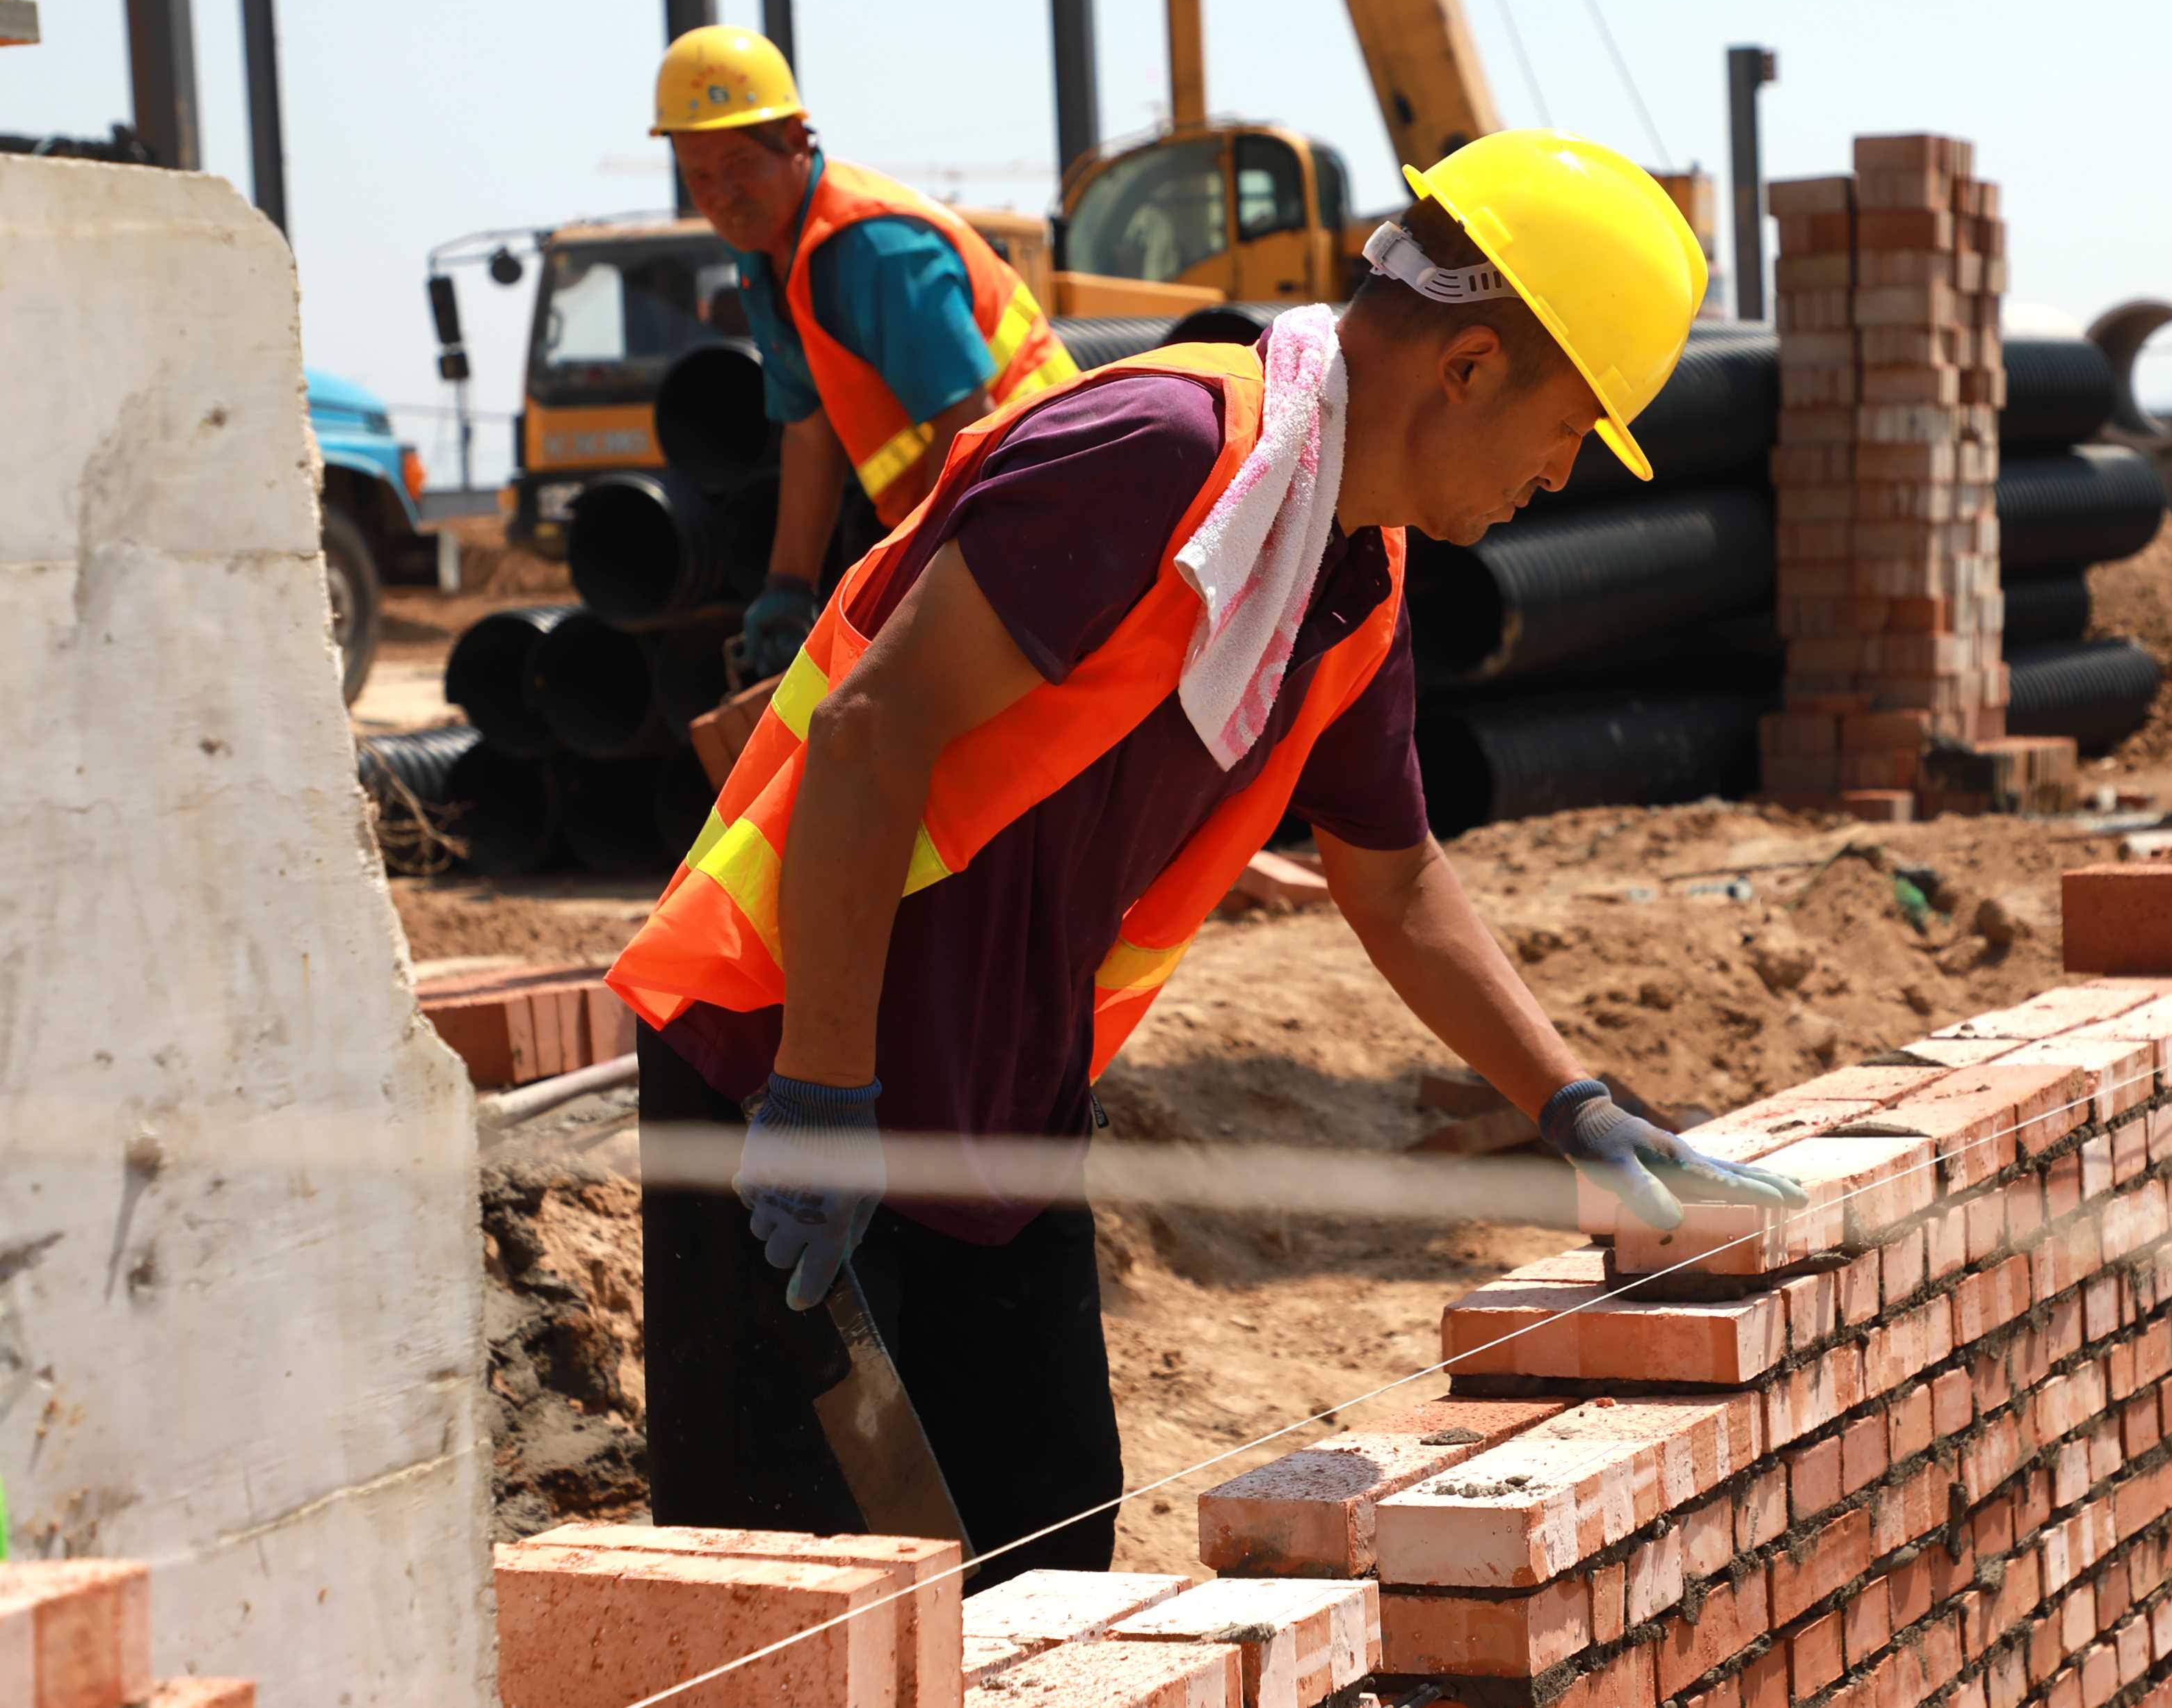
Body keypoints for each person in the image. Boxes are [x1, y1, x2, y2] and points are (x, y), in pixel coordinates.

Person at [606, 127, 1804, 1578]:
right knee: (797, 1590)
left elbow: (1393, 874)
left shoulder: (1350, 577)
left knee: (1042, 1549)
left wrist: (1574, 1105)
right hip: (786, 1066)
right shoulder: (1163, 456)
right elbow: (869, 735)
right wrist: (822, 1089)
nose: (1559, 475)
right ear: (1469, 366)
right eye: (1569, 427)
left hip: (995, 1100)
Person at [647, 24, 1079, 679]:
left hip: (1053, 501)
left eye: (737, 165)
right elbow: (808, 433)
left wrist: (923, 586)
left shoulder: (875, 250)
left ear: (795, 140)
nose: (720, 195)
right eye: (698, 176)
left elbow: (968, 421)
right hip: (981, 515)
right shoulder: (768, 262)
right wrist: (788, 590)